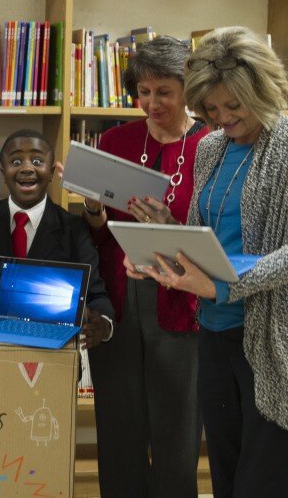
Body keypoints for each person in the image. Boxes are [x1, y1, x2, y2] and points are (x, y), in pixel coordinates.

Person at [129, 26, 288, 497]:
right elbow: (208, 239)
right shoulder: (210, 146)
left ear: (261, 91)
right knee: (224, 478)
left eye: (232, 107)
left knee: (258, 486)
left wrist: (222, 285)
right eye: (210, 109)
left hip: (278, 340)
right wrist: (169, 233)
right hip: (215, 335)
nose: (221, 119)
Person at [82, 36, 209, 498]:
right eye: (143, 91)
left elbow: (216, 236)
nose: (151, 103)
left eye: (164, 92)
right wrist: (94, 211)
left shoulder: (210, 148)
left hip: (179, 304)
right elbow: (98, 236)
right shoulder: (115, 140)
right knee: (118, 430)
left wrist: (172, 226)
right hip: (119, 302)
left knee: (176, 434)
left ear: (187, 88)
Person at [0, 129, 114, 344]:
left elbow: (97, 297)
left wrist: (103, 325)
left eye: (37, 161)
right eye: (15, 162)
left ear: (51, 172)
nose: (26, 168)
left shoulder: (74, 229)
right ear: (2, 172)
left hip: (51, 351)